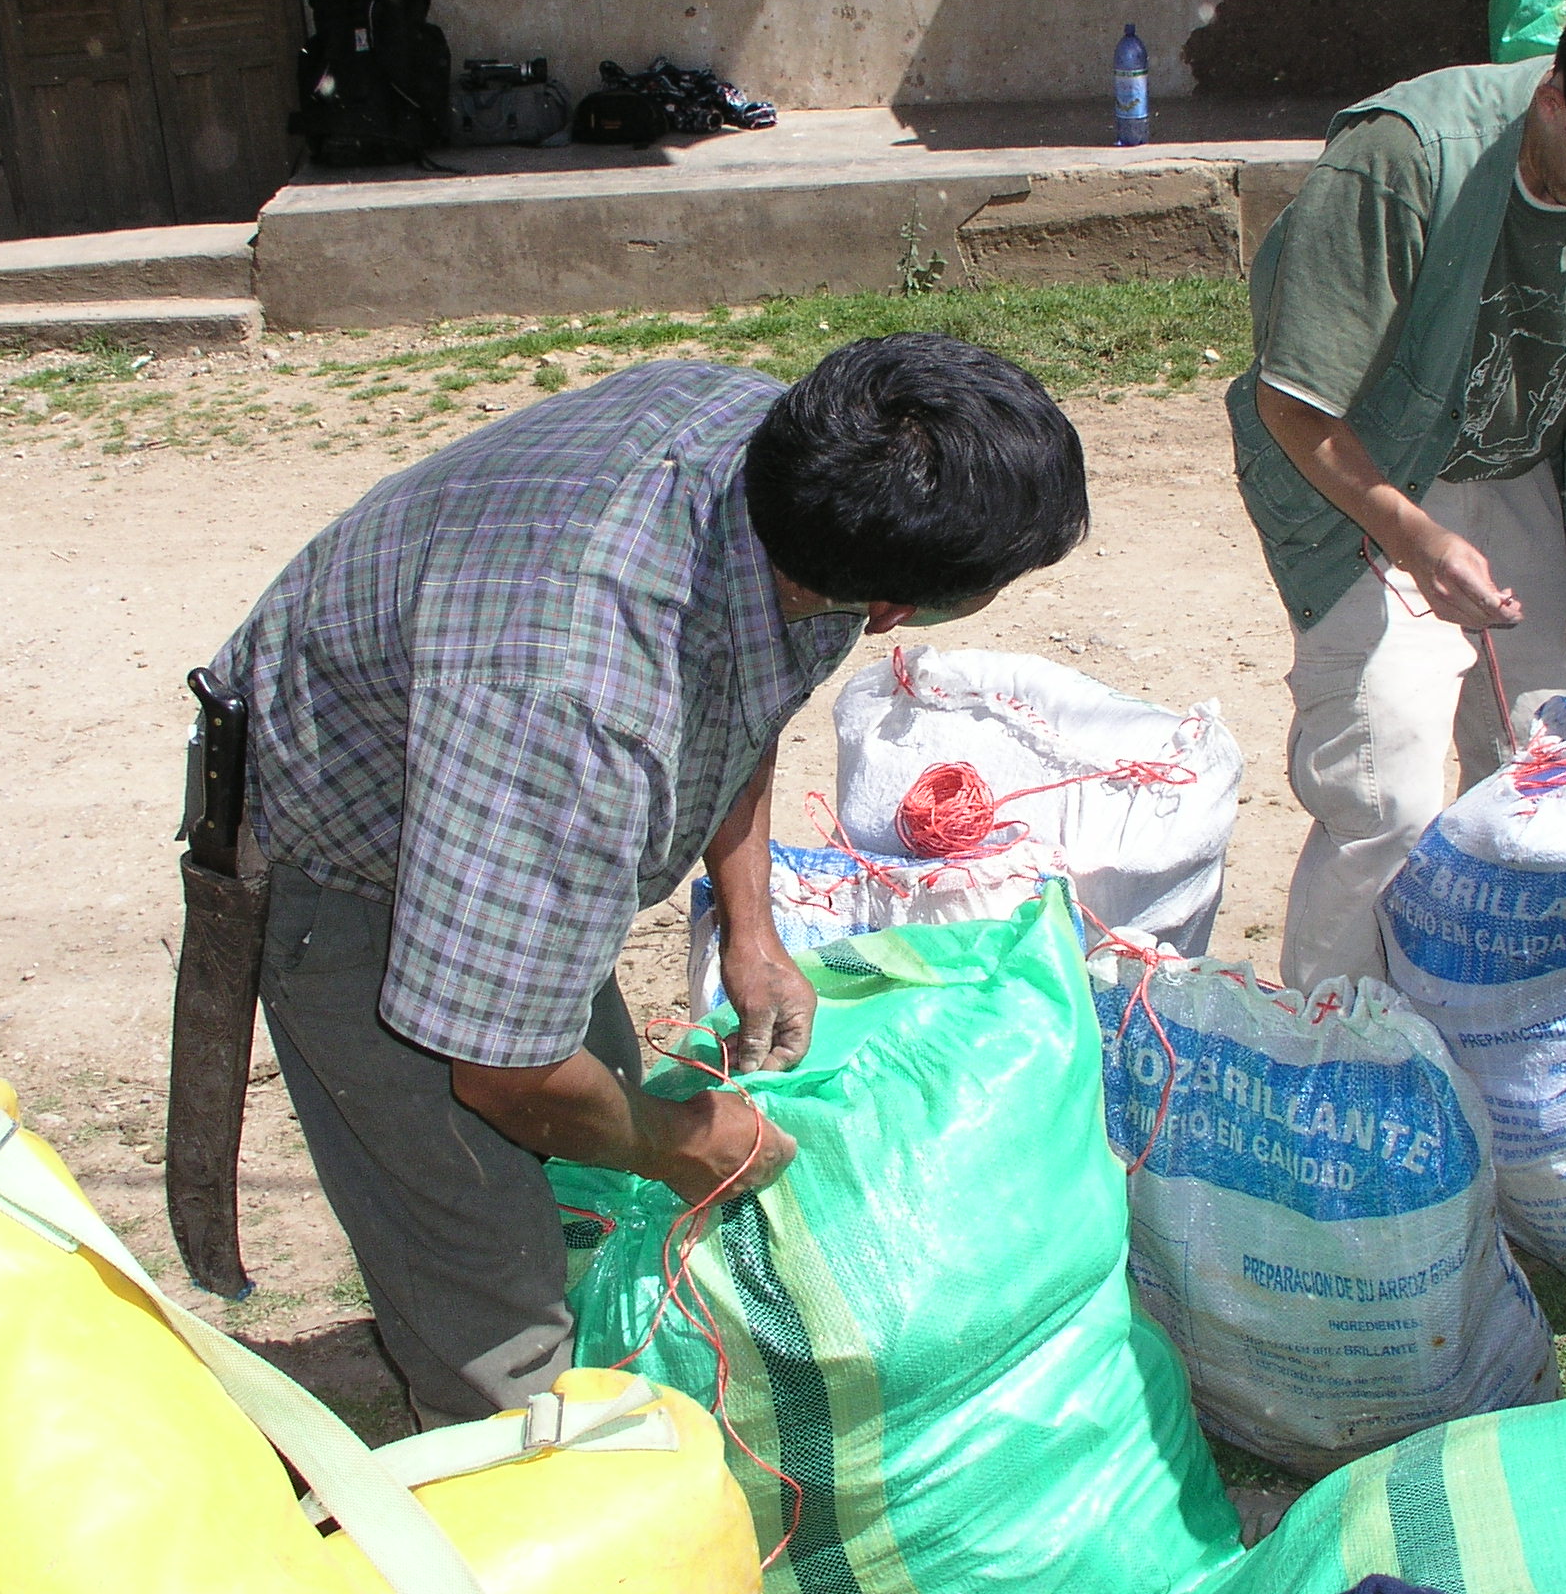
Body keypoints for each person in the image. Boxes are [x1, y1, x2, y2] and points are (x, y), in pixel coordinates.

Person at [207, 335, 1087, 1426]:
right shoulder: (580, 710)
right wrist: (684, 1142)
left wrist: (753, 929)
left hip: (497, 772)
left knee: (591, 1171)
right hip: (350, 851)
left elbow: (747, 696)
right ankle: (515, 1461)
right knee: (498, 1301)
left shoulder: (792, 463)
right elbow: (505, 1072)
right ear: (891, 611)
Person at [1228, 0, 1566, 989]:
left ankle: (1487, 1037)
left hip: (1533, 471)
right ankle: (1330, 1047)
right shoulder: (1403, 157)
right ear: (1554, 99)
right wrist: (1416, 540)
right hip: (1364, 471)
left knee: (1555, 778)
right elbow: (1294, 403)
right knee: (1386, 803)